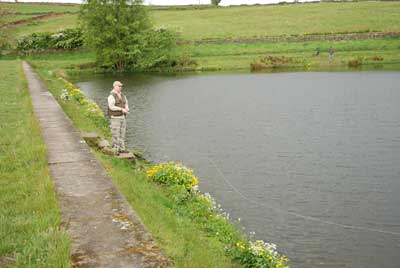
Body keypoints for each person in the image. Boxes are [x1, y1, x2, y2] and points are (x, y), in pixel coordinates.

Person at [107, 81, 129, 154]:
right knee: (116, 134)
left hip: (122, 117)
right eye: (119, 86)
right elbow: (111, 107)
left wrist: (126, 108)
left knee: (122, 133)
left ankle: (122, 148)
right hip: (115, 117)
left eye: (121, 86)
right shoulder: (111, 96)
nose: (120, 87)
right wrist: (121, 109)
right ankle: (115, 150)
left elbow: (126, 103)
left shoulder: (123, 95)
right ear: (115, 86)